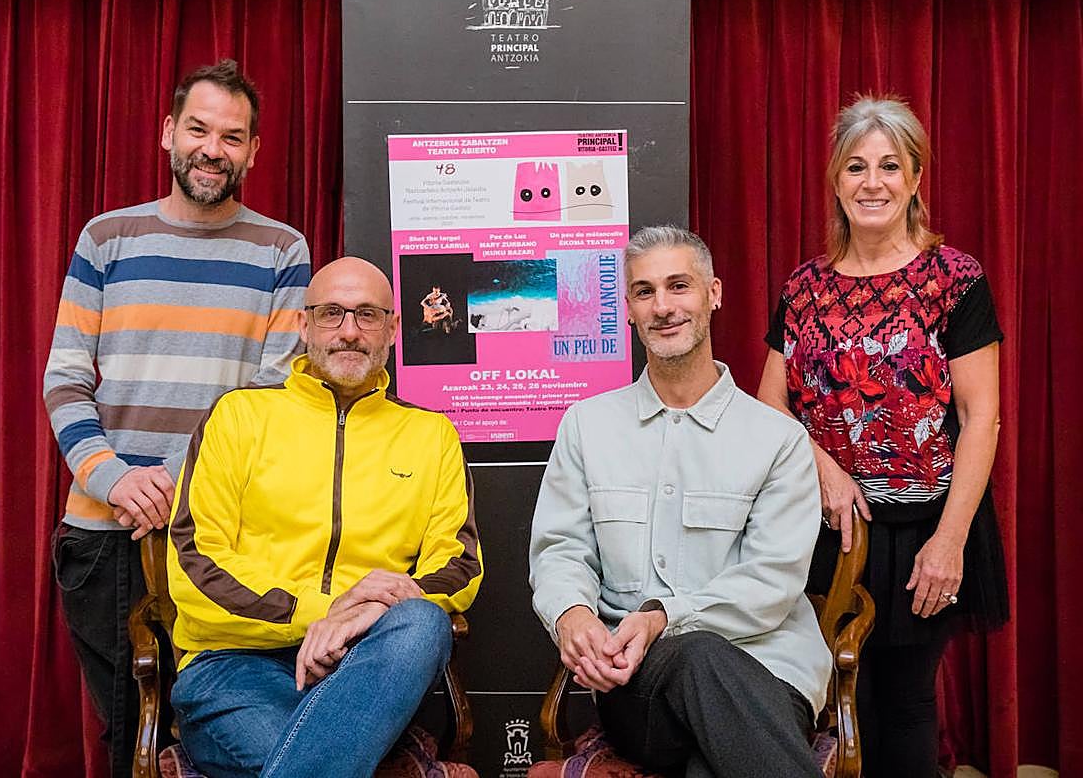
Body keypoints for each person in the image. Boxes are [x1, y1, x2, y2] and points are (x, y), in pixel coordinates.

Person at [43, 59, 310, 778]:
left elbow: (274, 399)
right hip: (107, 533)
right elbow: (65, 381)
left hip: (223, 539)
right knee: (129, 735)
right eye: (198, 129)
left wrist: (181, 483)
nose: (211, 149)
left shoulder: (283, 251)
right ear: (168, 133)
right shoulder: (107, 238)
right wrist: (114, 479)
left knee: (217, 730)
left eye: (232, 136)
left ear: (253, 151)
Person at [756, 95, 1008, 777]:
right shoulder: (803, 287)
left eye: (890, 166)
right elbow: (769, 403)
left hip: (925, 529)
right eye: (857, 167)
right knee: (837, 700)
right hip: (827, 532)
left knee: (903, 702)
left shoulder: (953, 279)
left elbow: (981, 418)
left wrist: (949, 542)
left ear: (916, 178)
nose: (873, 182)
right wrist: (825, 469)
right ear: (836, 180)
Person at [530, 226, 831, 778]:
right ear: (627, 308)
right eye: (644, 292)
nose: (663, 307)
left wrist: (662, 616)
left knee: (707, 753)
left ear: (713, 293)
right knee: (694, 656)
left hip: (771, 672)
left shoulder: (778, 439)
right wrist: (572, 615)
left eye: (679, 286)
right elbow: (560, 551)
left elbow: (773, 580)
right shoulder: (587, 426)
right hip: (640, 689)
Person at [166, 256, 483, 778]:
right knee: (316, 760)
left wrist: (362, 621)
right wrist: (325, 612)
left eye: (368, 315)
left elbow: (459, 567)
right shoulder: (238, 418)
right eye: (332, 313)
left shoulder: (432, 436)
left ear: (394, 329)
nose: (349, 332)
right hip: (234, 666)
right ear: (304, 324)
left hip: (368, 670)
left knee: (423, 619)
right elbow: (195, 563)